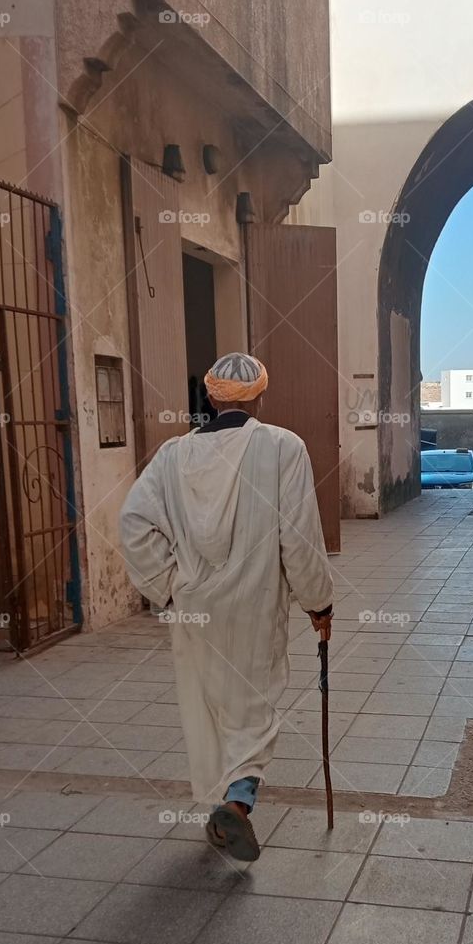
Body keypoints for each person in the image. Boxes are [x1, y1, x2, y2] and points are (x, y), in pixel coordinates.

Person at [119, 352, 333, 862]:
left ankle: (225, 801)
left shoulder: (172, 456)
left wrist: (167, 586)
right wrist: (318, 602)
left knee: (209, 705)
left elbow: (133, 525)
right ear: (261, 394)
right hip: (254, 608)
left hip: (193, 609)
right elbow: (298, 538)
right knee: (253, 710)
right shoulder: (283, 447)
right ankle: (237, 805)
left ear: (211, 396)